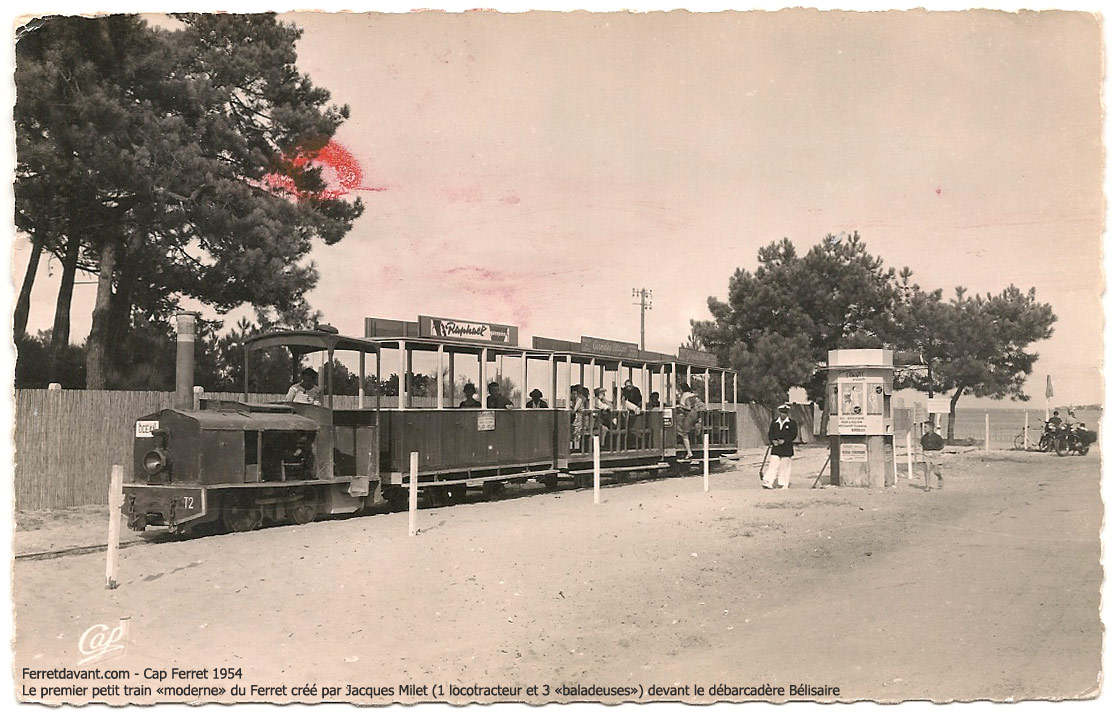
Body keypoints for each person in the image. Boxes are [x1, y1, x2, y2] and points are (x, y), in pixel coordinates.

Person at [763, 402, 798, 489]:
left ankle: (784, 483)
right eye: (782, 412)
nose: (783, 414)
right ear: (779, 413)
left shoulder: (792, 423)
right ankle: (769, 482)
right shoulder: (775, 422)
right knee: (773, 465)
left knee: (784, 466)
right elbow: (770, 433)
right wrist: (773, 441)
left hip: (786, 449)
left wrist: (785, 441)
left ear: (787, 413)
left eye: (785, 413)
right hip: (776, 448)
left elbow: (793, 435)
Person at [676, 383, 703, 459]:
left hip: (689, 415)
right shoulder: (694, 396)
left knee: (683, 433)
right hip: (696, 415)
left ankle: (689, 452)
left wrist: (680, 406)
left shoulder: (686, 396)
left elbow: (688, 407)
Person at [920, 420, 945, 489]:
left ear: (931, 428)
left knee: (936, 471)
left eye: (925, 427)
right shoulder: (924, 437)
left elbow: (942, 445)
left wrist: (936, 451)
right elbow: (922, 444)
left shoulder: (937, 437)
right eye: (924, 427)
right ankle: (927, 486)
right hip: (926, 454)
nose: (924, 429)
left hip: (935, 454)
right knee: (927, 469)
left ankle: (940, 477)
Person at [570, 384, 588, 450]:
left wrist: (572, 410)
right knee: (573, 432)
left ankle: (577, 448)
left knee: (577, 432)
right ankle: (573, 447)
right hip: (575, 417)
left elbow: (575, 409)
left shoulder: (580, 398)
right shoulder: (573, 398)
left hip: (579, 417)